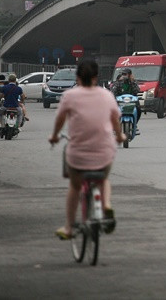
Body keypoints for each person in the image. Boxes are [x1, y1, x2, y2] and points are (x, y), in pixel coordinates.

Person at [49, 58, 124, 240]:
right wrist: (120, 136)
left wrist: (54, 136)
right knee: (104, 179)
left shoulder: (70, 96)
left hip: (78, 155)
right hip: (104, 152)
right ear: (96, 77)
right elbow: (115, 120)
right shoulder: (107, 96)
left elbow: (60, 119)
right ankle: (106, 204)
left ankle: (68, 227)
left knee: (75, 187)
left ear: (78, 78)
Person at [111, 70, 141, 134]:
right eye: (123, 74)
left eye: (126, 74)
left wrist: (132, 82)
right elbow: (113, 91)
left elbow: (137, 90)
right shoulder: (118, 82)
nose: (124, 76)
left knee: (138, 110)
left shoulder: (133, 82)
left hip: (132, 102)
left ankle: (135, 125)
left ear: (130, 75)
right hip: (120, 102)